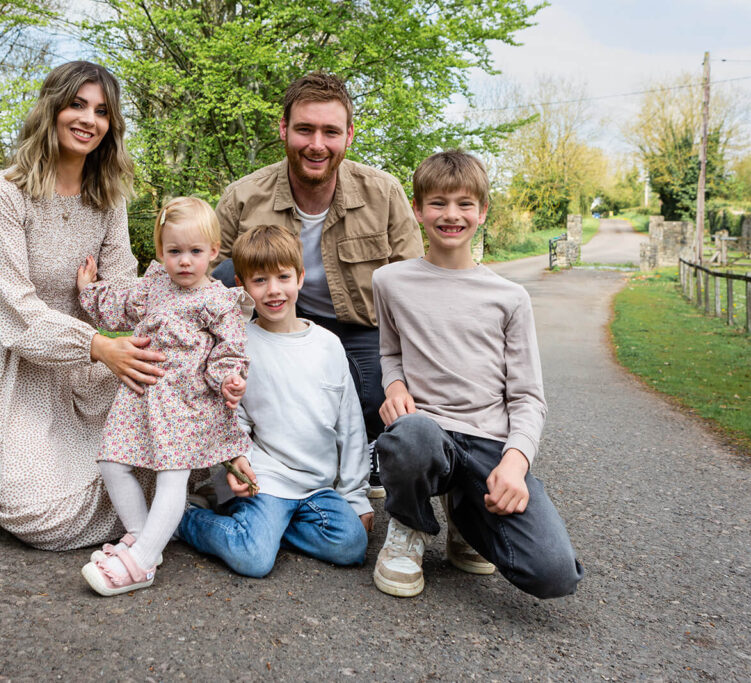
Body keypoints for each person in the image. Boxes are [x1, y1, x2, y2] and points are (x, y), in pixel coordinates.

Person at [0, 61, 166, 551]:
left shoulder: (108, 195)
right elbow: (16, 309)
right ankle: (140, 517)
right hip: (15, 353)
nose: (89, 119)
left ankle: (158, 514)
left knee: (164, 424)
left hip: (91, 358)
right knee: (39, 514)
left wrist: (155, 312)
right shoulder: (5, 191)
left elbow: (121, 285)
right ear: (52, 108)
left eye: (102, 111)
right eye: (77, 104)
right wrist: (96, 344)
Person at [371, 150, 584, 599]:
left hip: (489, 444)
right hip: (427, 433)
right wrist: (394, 385)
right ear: (417, 208)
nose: (452, 215)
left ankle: (466, 517)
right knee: (410, 439)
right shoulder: (390, 282)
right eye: (439, 203)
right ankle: (409, 526)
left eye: (465, 203)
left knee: (554, 574)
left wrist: (515, 461)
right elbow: (391, 352)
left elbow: (528, 397)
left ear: (483, 212)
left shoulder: (509, 297)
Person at [212, 72, 423, 497]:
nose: (316, 144)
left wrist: (407, 369)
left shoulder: (383, 193)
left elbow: (416, 287)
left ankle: (368, 446)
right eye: (305, 129)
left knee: (372, 393)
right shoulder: (242, 197)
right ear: (284, 129)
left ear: (349, 135)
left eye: (330, 131)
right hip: (274, 324)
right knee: (218, 276)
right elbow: (199, 275)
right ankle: (239, 446)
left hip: (362, 331)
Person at [76, 197, 254, 596]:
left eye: (195, 252)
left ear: (213, 252)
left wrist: (229, 380)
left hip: (188, 404)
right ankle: (144, 540)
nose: (185, 261)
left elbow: (230, 351)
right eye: (174, 252)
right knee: (111, 461)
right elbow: (120, 306)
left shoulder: (219, 301)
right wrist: (90, 291)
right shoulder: (153, 286)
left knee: (173, 476)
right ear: (160, 252)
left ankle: (139, 566)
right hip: (141, 394)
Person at [176, 224, 372, 577]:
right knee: (253, 558)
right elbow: (231, 418)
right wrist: (236, 464)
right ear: (242, 285)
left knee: (351, 545)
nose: (273, 290)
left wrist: (356, 496)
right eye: (260, 281)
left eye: (283, 277)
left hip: (316, 487)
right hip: (266, 480)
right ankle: (183, 517)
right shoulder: (239, 346)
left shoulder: (328, 345)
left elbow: (351, 424)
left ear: (300, 277)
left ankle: (268, 528)